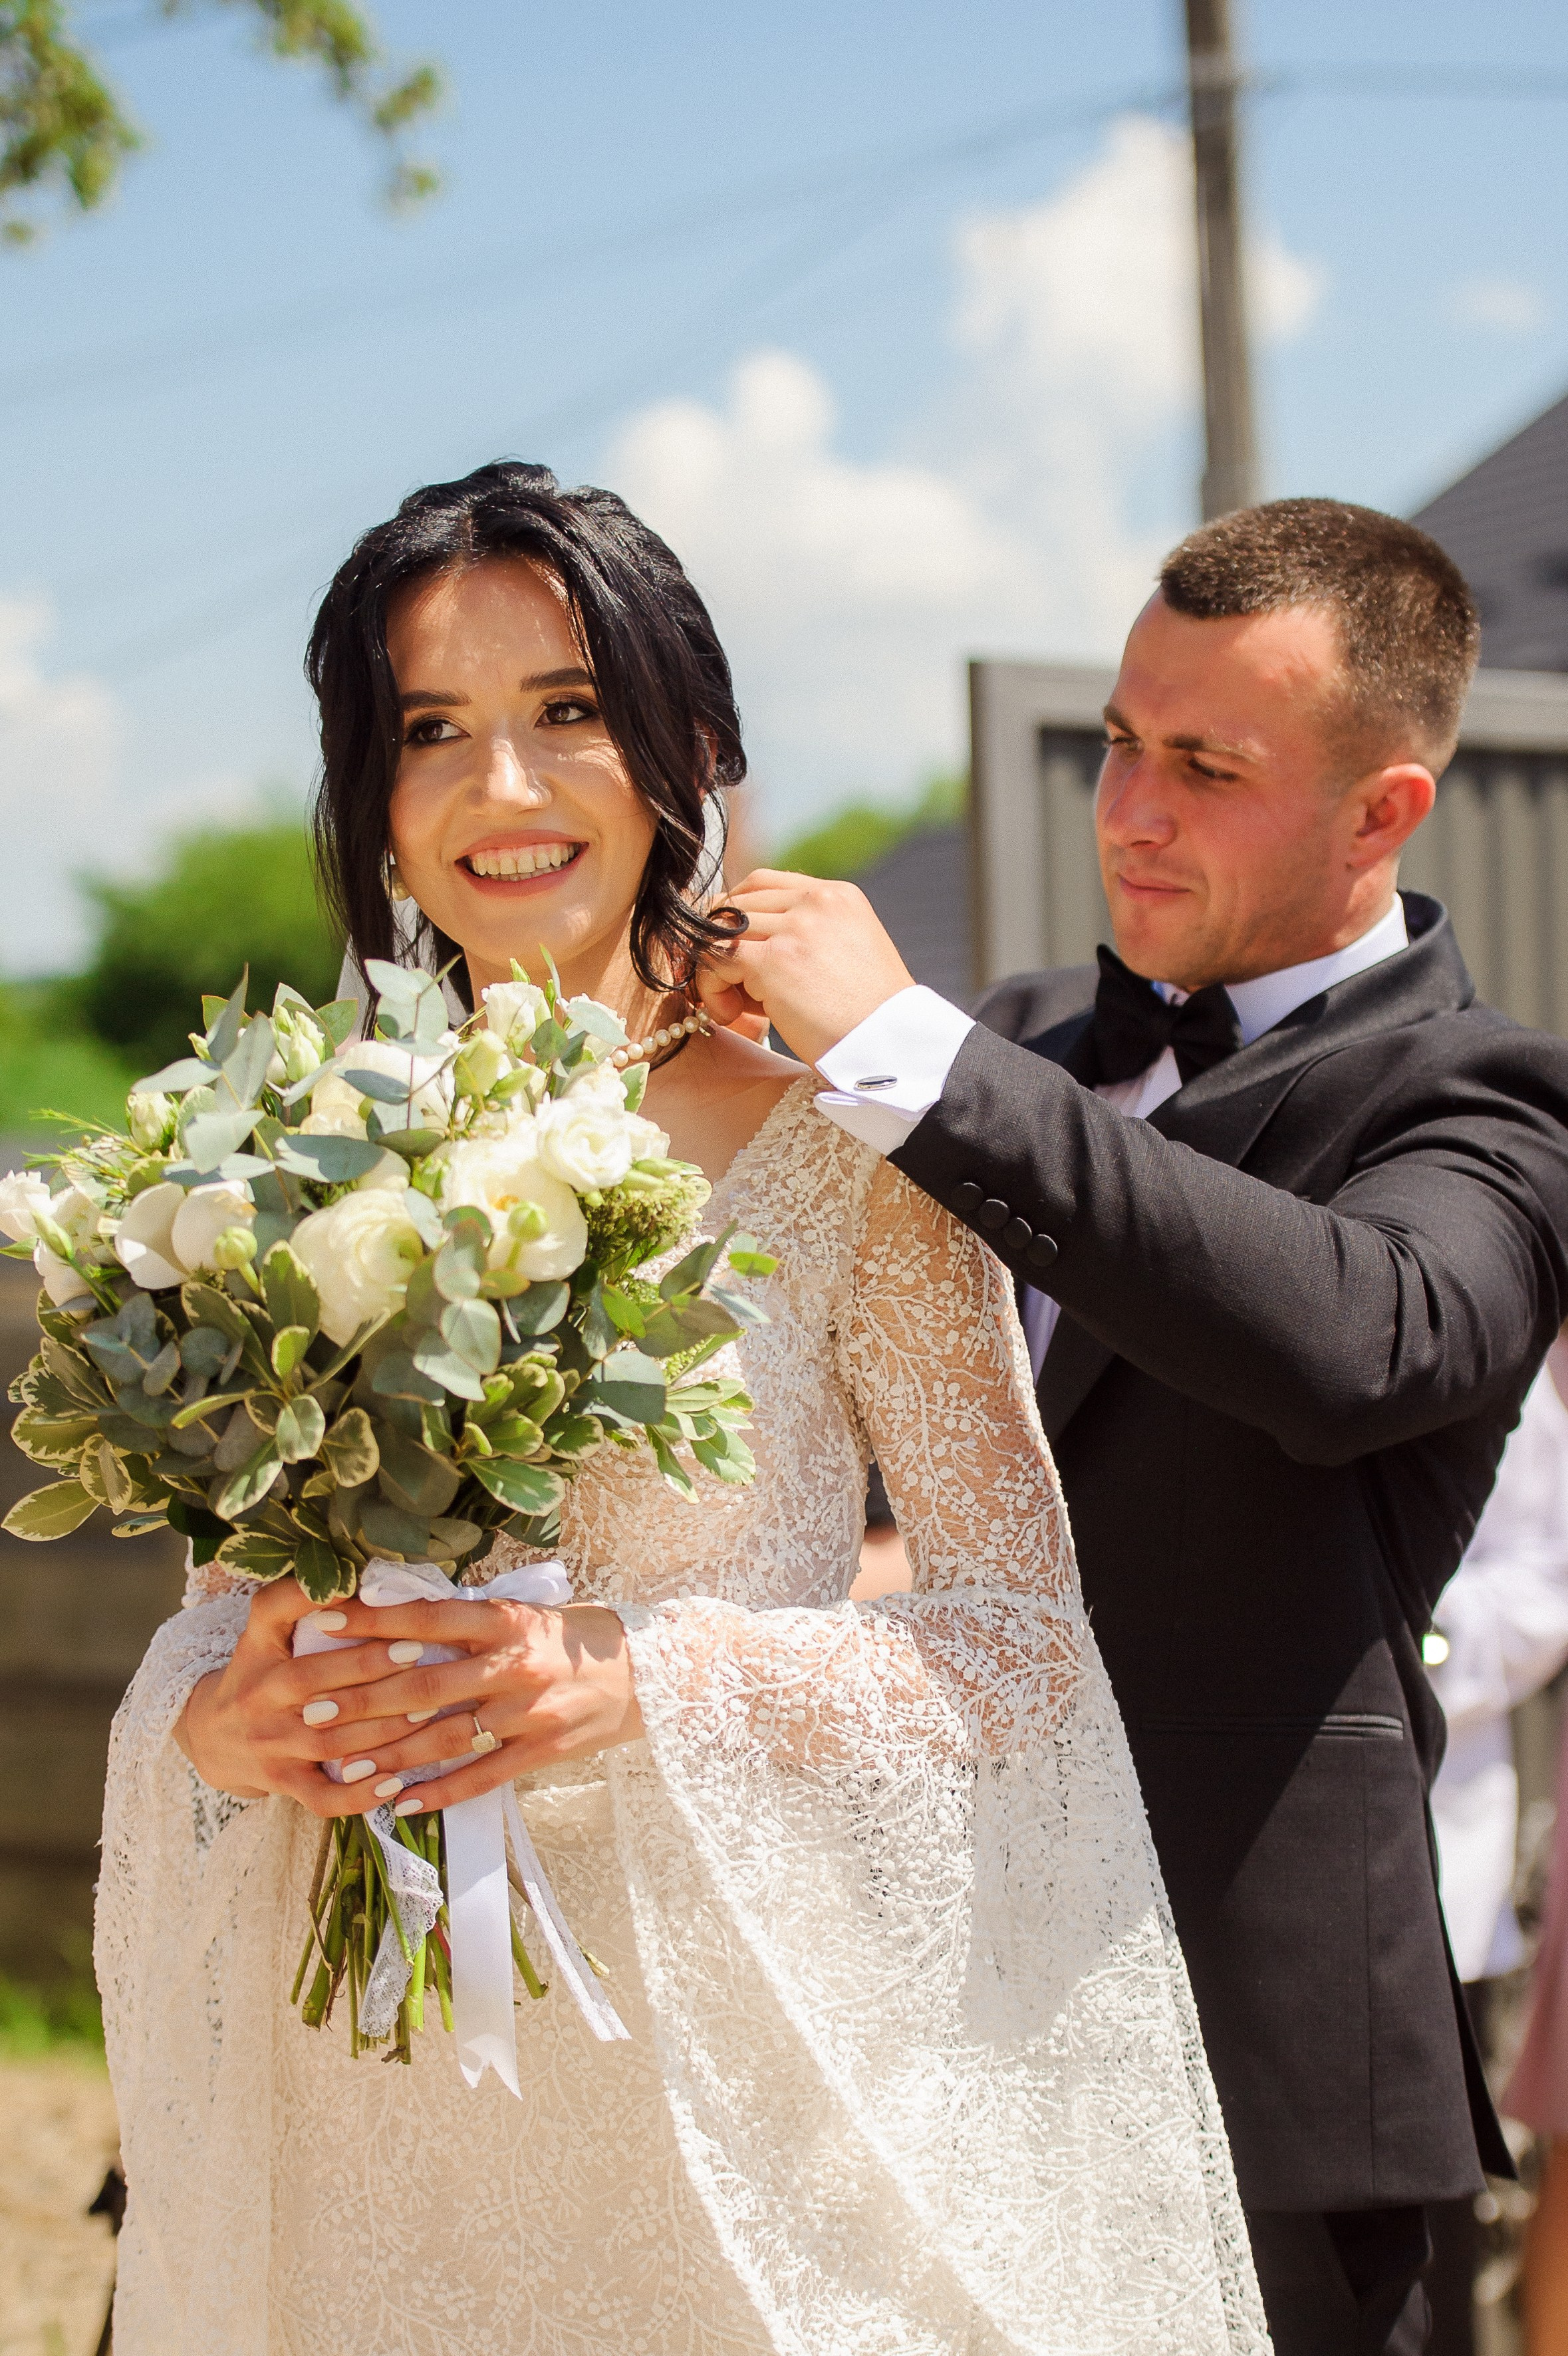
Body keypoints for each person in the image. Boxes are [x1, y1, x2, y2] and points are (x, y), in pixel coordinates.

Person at [94, 463, 1268, 2355]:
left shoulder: (850, 1153)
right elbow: (210, 1639)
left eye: (565, 714)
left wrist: (638, 1677)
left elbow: (1018, 1648)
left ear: (684, 753)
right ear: (374, 802)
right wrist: (221, 1725)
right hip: (369, 2122)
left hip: (732, 2095)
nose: (502, 789)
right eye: (430, 733)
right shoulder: (273, 1163)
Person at [700, 497, 1568, 2356]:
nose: (1130, 808)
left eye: (1204, 764)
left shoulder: (1483, 1106)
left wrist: (917, 1063)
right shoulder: (1012, 1041)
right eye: (1118, 739)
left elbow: (1354, 1337)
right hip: (923, 2013)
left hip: (1261, 2075)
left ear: (1379, 814)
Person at [1422, 1346, 1568, 2353]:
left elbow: (1541, 1577)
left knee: (1437, 2223)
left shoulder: (1486, 1341)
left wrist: (1402, 1640)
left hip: (1440, 1857)